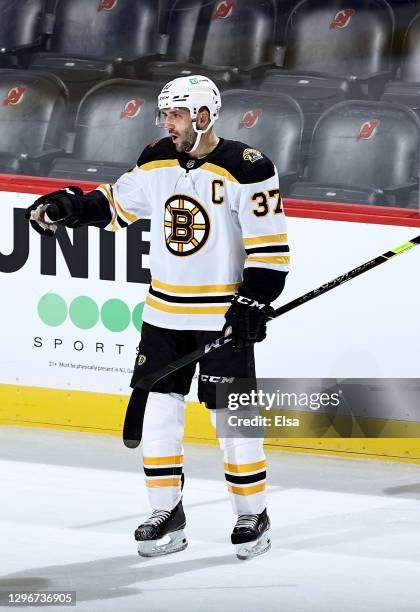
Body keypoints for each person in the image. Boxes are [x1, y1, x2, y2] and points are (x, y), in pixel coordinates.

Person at [25, 75, 289, 560]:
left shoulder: (248, 168)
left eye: (178, 115)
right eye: (165, 114)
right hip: (165, 312)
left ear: (205, 115)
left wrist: (254, 301)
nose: (169, 123)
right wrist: (70, 207)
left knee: (232, 417)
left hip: (221, 316)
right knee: (159, 412)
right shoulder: (155, 158)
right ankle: (166, 513)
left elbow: (270, 248)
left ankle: (254, 515)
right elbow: (115, 204)